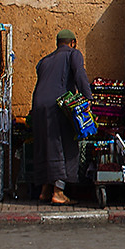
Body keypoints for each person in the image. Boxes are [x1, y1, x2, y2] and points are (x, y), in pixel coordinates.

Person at [30, 29, 93, 205]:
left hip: (39, 106)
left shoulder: (45, 61)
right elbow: (79, 74)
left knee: (45, 145)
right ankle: (58, 193)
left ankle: (44, 190)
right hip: (57, 106)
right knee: (64, 145)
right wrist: (88, 98)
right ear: (73, 42)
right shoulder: (73, 54)